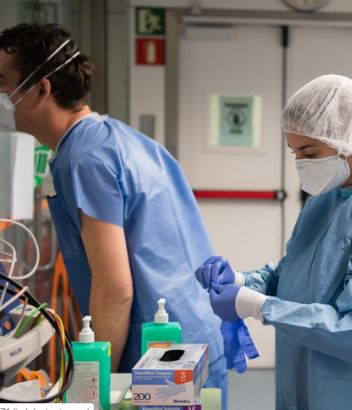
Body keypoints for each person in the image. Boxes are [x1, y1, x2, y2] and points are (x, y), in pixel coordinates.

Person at [0, 23, 228, 403]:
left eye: (3, 82)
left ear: (41, 89)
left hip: (159, 357)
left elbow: (115, 289)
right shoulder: (121, 140)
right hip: (193, 335)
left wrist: (94, 385)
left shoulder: (85, 159)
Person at [195, 74, 352, 409]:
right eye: (294, 152)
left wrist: (257, 306)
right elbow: (294, 274)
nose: (300, 162)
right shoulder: (324, 202)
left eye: (310, 151)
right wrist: (243, 281)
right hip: (315, 381)